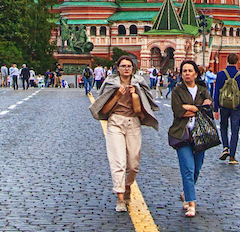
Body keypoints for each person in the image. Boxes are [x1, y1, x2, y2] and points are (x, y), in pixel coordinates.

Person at [91, 55, 161, 212]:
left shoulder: (139, 84)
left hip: (133, 123)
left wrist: (135, 95)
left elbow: (139, 110)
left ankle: (127, 185)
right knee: (118, 162)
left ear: (133, 69)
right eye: (123, 66)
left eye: (129, 66)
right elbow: (104, 109)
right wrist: (117, 95)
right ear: (118, 68)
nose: (126, 69)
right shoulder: (110, 83)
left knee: (134, 163)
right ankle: (121, 198)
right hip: (115, 122)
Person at [170, 59, 214, 217]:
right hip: (182, 134)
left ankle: (186, 193)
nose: (187, 73)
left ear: (196, 73)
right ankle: (191, 203)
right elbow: (178, 111)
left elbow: (209, 108)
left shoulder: (203, 89)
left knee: (197, 168)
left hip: (200, 134)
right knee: (187, 169)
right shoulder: (177, 91)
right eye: (184, 71)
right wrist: (199, 108)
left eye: (190, 71)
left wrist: (190, 108)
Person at [211, 53, 240, 164]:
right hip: (236, 105)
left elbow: (216, 91)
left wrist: (215, 108)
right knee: (235, 130)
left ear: (227, 60)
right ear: (237, 61)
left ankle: (225, 147)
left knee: (223, 127)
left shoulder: (221, 74)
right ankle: (232, 156)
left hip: (223, 105)